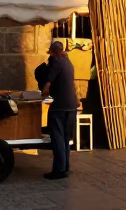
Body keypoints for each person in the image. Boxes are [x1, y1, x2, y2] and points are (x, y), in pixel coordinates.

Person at [41, 40, 77, 180]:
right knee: (65, 139)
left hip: (59, 107)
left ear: (54, 51)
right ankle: (65, 167)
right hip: (71, 106)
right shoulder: (69, 62)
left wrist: (43, 92)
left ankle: (59, 170)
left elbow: (47, 84)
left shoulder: (56, 62)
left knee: (57, 138)